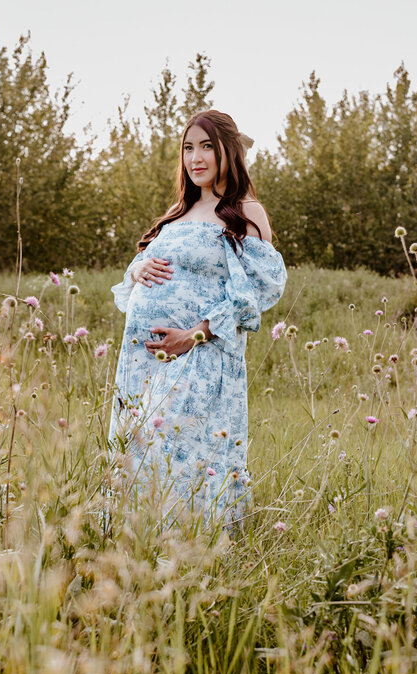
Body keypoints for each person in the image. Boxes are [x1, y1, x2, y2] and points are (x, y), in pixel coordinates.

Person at [109, 109, 287, 525]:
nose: (196, 158)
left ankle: (191, 553)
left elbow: (259, 292)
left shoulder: (244, 210)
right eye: (189, 148)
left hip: (200, 358)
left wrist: (193, 336)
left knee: (184, 452)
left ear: (230, 151)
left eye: (207, 146)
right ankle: (136, 548)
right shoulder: (177, 213)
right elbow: (138, 273)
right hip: (142, 363)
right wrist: (136, 270)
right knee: (140, 451)